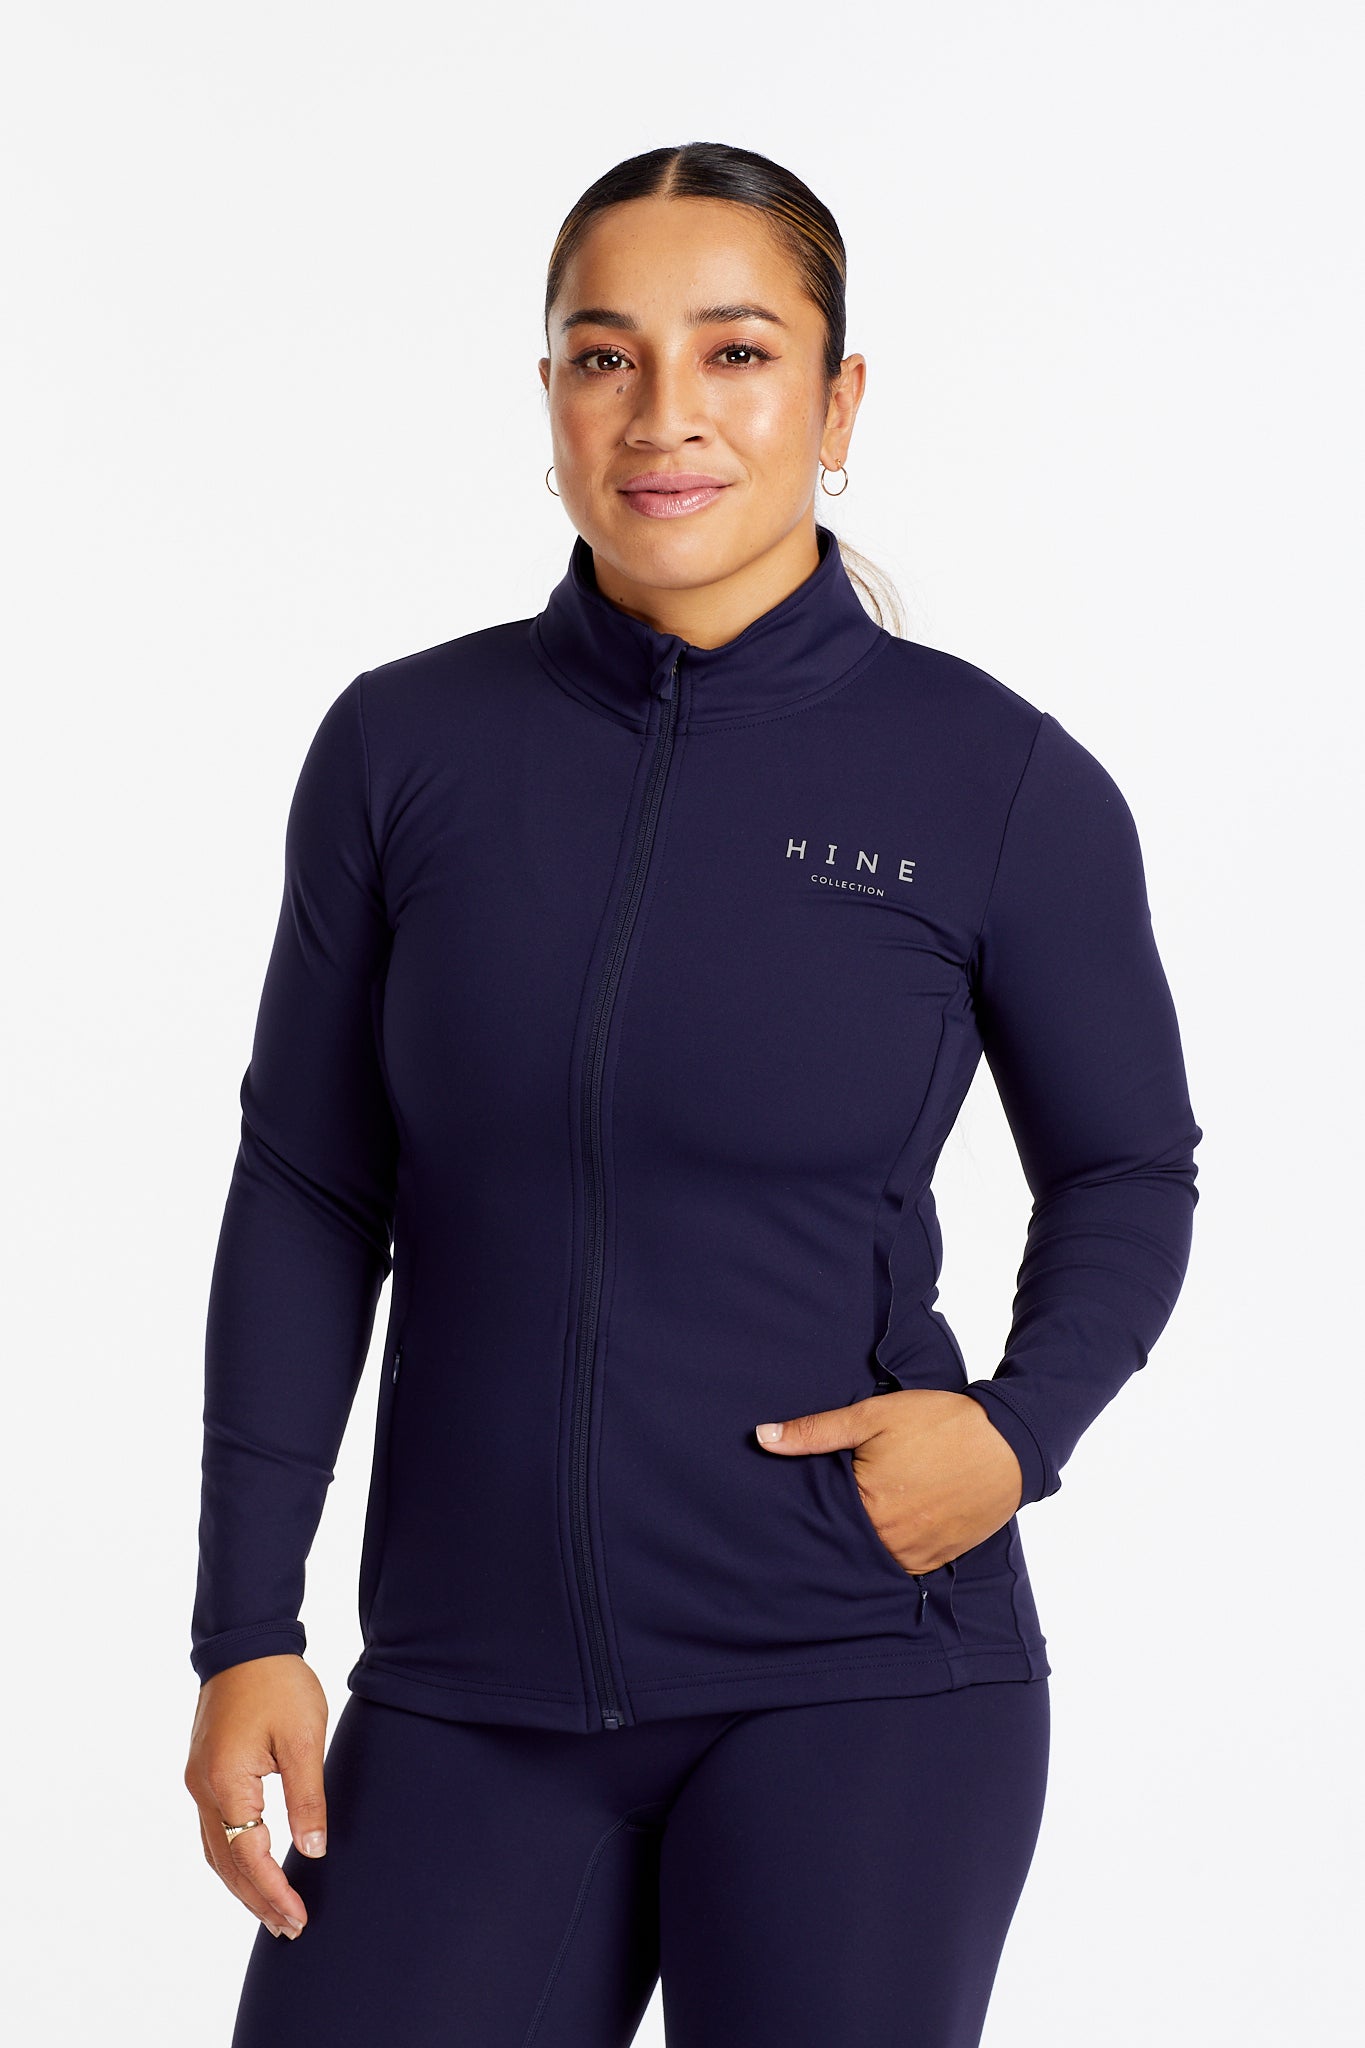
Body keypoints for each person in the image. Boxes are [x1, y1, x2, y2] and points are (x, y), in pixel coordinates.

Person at [183, 140, 1203, 2047]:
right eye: (604, 356)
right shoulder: (405, 748)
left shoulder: (992, 780)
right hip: (463, 1692)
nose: (664, 414)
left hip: (860, 1679)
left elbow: (1130, 1167)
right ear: (550, 395)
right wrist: (248, 1622)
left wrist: (1015, 1430)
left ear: (837, 401)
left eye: (735, 352)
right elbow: (311, 1189)